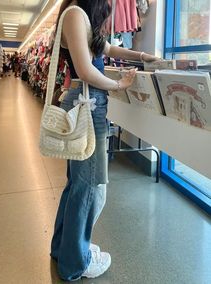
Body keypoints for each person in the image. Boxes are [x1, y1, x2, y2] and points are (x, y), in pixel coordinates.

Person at [50, 0, 160, 281]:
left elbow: (106, 48)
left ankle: (64, 248)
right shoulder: (75, 14)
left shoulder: (80, 15)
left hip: (89, 103)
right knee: (88, 186)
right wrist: (118, 85)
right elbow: (86, 70)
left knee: (77, 183)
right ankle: (76, 261)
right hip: (88, 104)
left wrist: (142, 55)